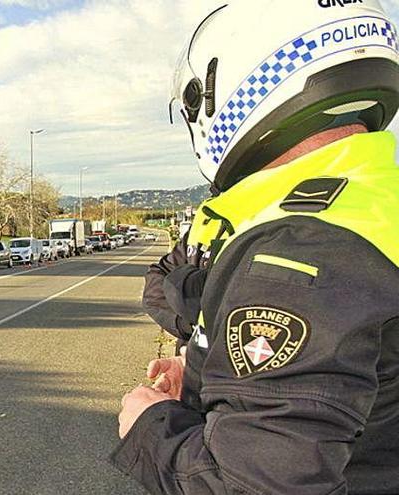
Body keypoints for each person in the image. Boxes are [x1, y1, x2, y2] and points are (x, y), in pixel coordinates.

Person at [112, 1, 399, 493]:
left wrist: (150, 424)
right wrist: (204, 366)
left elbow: (251, 483)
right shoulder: (370, 201)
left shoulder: (301, 246)